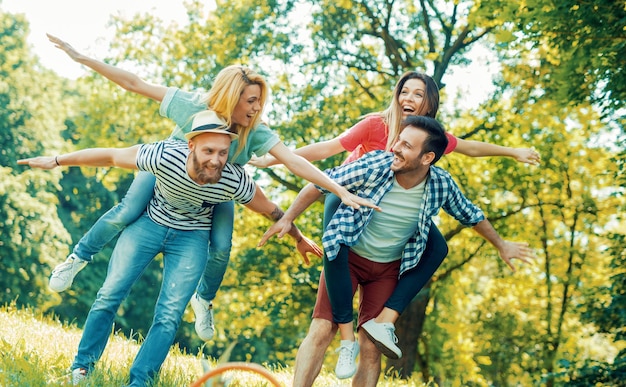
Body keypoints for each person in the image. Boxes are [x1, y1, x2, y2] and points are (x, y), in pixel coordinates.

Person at [45, 34, 378, 342]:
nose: (256, 108)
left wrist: (339, 190)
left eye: (259, 102)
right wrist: (82, 58)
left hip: (214, 190)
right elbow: (135, 84)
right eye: (250, 101)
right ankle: (78, 258)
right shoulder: (192, 105)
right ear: (232, 97)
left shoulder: (256, 132)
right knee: (128, 211)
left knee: (221, 245)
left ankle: (203, 299)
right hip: (169, 173)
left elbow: (293, 161)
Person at [251, 70, 540, 377]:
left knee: (436, 248)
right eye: (405, 91)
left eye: (418, 94)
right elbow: (328, 149)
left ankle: (381, 324)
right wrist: (275, 158)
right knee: (330, 284)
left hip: (388, 245)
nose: (409, 99)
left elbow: (471, 150)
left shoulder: (433, 145)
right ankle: (345, 338)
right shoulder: (377, 127)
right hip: (347, 195)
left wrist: (512, 153)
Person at [18, 111, 322, 386]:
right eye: (208, 151)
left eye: (223, 153)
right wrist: (57, 160)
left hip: (191, 238)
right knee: (109, 294)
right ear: (191, 146)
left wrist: (298, 236)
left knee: (169, 314)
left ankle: (140, 381)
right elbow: (111, 156)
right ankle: (82, 368)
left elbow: (270, 210)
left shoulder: (233, 179)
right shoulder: (164, 156)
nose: (216, 160)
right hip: (148, 226)